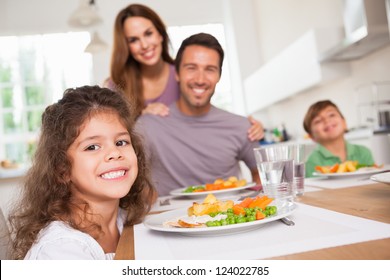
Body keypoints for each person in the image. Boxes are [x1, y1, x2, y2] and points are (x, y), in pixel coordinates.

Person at [8, 86, 156, 260]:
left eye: (121, 142)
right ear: (62, 169)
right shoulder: (60, 251)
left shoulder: (126, 221)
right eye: (92, 147)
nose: (115, 153)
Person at [105, 3, 264, 141]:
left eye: (148, 33)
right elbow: (110, 135)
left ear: (160, 34)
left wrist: (244, 127)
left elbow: (203, 111)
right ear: (126, 46)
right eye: (133, 40)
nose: (145, 44)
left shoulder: (184, 72)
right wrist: (141, 117)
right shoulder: (116, 85)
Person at [136, 33, 261, 196]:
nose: (200, 79)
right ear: (177, 73)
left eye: (210, 69)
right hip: (165, 219)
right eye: (191, 68)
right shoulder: (148, 125)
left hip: (227, 218)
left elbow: (260, 174)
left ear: (219, 76)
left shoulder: (242, 127)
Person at [303, 100, 375, 177]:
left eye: (331, 115)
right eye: (318, 121)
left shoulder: (363, 152)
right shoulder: (312, 161)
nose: (326, 120)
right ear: (311, 136)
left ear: (344, 123)